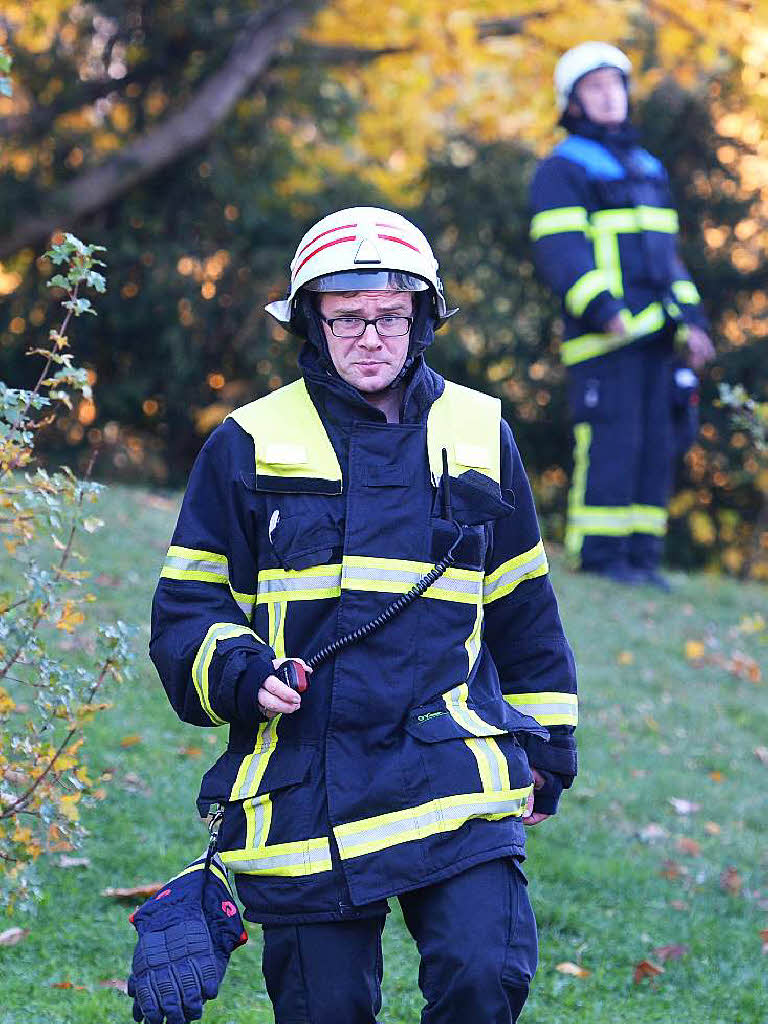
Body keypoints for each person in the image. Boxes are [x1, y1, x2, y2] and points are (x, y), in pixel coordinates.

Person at [144, 207, 578, 1024]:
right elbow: (188, 604)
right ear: (312, 321)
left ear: (422, 319)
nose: (369, 337)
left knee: (486, 979)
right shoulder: (248, 442)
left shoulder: (482, 433)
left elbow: (524, 607)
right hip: (304, 784)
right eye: (346, 318)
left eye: (388, 316)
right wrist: (239, 673)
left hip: (455, 770)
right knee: (324, 1009)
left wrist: (549, 747)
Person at [529, 42, 715, 588]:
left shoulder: (648, 168)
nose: (610, 96)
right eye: (596, 87)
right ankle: (601, 558)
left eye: (616, 84)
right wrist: (603, 310)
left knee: (657, 445)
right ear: (574, 102)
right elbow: (562, 251)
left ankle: (642, 558)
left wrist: (695, 322)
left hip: (659, 334)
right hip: (604, 337)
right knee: (611, 443)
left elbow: (668, 258)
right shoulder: (561, 168)